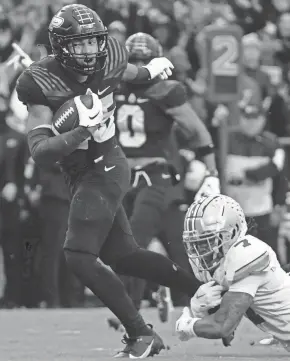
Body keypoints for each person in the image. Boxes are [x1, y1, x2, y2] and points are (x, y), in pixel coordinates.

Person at [16, 4, 203, 358]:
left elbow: (130, 72)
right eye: (79, 44)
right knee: (124, 255)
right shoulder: (39, 79)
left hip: (105, 165)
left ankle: (141, 334)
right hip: (77, 170)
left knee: (78, 255)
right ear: (59, 46)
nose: (89, 52)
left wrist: (149, 71)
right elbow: (40, 152)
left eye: (93, 43)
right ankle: (202, 290)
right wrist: (80, 129)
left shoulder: (111, 54)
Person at [108, 32, 219, 328]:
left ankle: (127, 312)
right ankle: (166, 292)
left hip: (155, 175)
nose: (140, 64)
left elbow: (198, 132)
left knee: (135, 240)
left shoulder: (165, 90)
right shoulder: (112, 86)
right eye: (135, 60)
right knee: (121, 243)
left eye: (145, 59)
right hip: (120, 175)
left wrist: (212, 172)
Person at [175, 195, 290, 352]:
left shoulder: (245, 255)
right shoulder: (225, 260)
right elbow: (224, 315)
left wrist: (187, 326)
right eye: (195, 243)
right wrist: (201, 308)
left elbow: (222, 326)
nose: (199, 250)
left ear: (230, 233)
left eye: (205, 242)